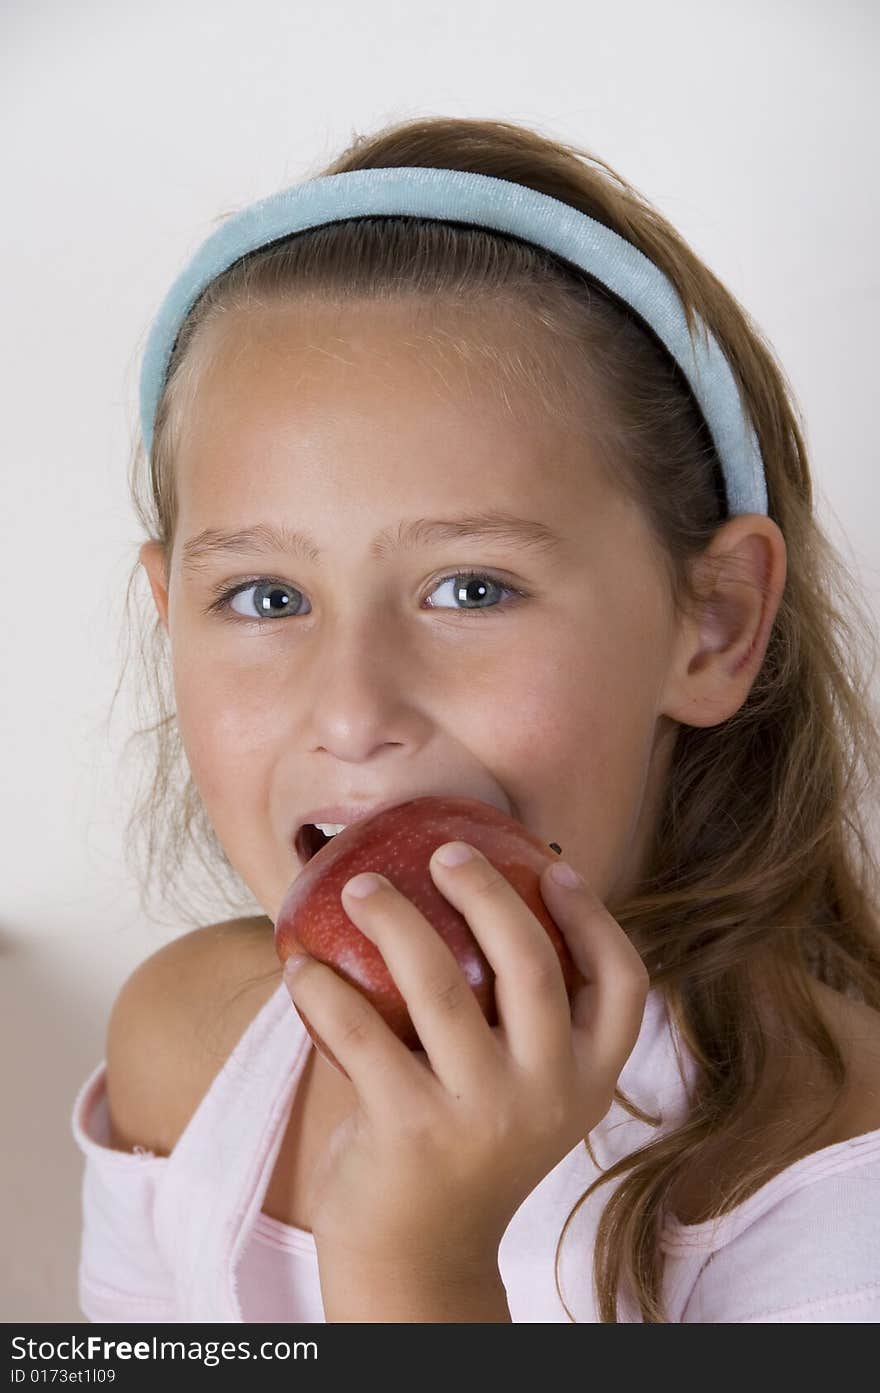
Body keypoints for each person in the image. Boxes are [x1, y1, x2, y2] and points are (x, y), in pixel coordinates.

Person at [71, 115, 880, 1324]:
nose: (352, 710)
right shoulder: (185, 1048)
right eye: (265, 596)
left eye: (472, 588)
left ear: (709, 624)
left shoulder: (823, 1168)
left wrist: (415, 1271)